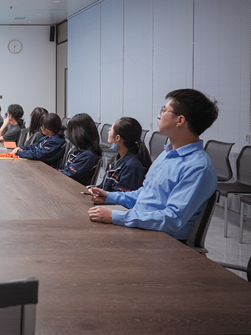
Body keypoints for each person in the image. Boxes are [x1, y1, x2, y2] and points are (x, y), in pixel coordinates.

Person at [88, 89, 219, 241]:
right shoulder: (167, 154)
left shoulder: (198, 168)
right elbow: (145, 195)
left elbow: (172, 219)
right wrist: (109, 196)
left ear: (180, 120)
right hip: (142, 227)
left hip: (163, 240)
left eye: (164, 110)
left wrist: (117, 216)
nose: (159, 115)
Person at [97, 117, 151, 192]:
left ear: (117, 138)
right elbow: (103, 187)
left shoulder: (132, 167)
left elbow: (121, 196)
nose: (108, 132)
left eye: (110, 130)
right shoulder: (117, 159)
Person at [58, 113, 102, 185]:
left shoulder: (88, 155)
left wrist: (53, 172)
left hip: (72, 187)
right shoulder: (79, 150)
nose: (68, 134)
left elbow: (70, 174)